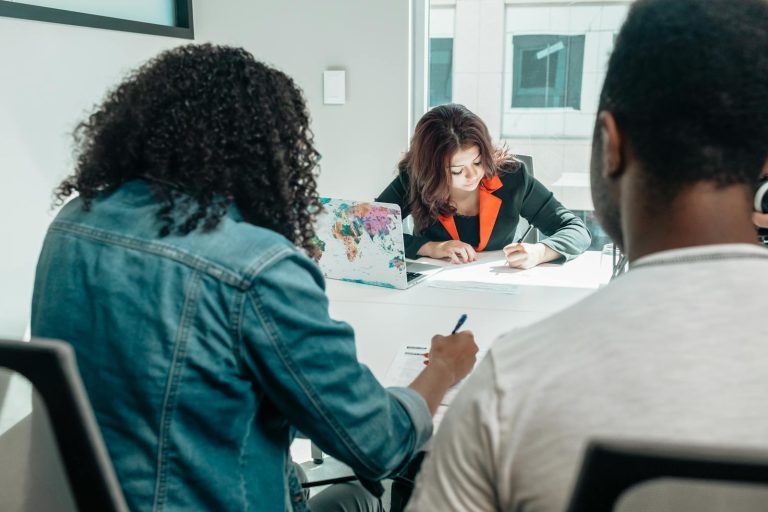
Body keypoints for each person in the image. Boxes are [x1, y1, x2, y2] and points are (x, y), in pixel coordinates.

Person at [30, 44, 478, 512]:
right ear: (267, 151)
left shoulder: (73, 222)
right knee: (357, 497)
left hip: (99, 495)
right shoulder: (257, 265)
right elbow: (379, 443)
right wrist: (443, 367)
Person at [407, 0, 768, 510]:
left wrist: (539, 251)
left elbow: (569, 228)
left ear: (609, 144)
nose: (468, 177)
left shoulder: (509, 384)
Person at [375, 104, 591, 267]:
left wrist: (539, 252)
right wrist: (431, 248)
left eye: (478, 162)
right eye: (456, 170)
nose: (472, 174)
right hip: (431, 291)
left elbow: (576, 230)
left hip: (500, 290)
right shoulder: (413, 179)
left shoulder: (512, 177)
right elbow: (366, 229)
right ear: (431, 171)